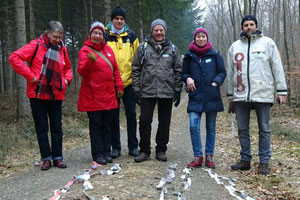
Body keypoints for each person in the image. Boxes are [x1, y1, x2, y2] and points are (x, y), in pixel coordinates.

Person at [227, 15, 287, 175]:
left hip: (263, 93)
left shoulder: (268, 43)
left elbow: (277, 67)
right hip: (240, 95)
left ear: (256, 25)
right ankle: (245, 159)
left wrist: (281, 90)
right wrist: (230, 95)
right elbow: (230, 71)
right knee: (242, 129)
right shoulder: (234, 47)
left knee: (264, 129)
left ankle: (264, 162)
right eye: (245, 25)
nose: (248, 27)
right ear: (242, 28)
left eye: (251, 24)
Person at [9, 21, 72, 170]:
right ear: (47, 33)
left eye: (60, 37)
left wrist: (67, 80)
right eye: (55, 37)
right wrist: (31, 77)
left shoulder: (62, 48)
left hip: (56, 94)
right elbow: (14, 58)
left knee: (57, 127)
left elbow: (68, 67)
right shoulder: (35, 45)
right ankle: (46, 159)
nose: (58, 40)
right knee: (42, 128)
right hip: (37, 95)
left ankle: (58, 157)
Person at [132, 19, 182, 163]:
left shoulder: (172, 49)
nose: (159, 32)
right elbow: (135, 69)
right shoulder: (143, 48)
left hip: (166, 91)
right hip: (147, 91)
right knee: (145, 121)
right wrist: (136, 90)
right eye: (156, 30)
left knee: (164, 122)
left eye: (161, 30)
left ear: (165, 31)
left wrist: (177, 90)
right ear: (152, 31)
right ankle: (144, 151)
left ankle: (161, 149)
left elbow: (178, 70)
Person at [78, 21, 123, 165]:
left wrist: (119, 86)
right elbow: (81, 71)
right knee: (96, 125)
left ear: (103, 35)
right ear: (90, 34)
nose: (97, 36)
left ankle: (106, 152)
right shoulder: (85, 51)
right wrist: (90, 61)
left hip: (109, 94)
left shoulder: (108, 50)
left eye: (100, 33)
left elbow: (115, 69)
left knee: (107, 125)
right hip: (92, 95)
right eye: (95, 33)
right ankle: (97, 154)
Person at [182, 28, 226, 169]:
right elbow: (184, 73)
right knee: (194, 126)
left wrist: (216, 82)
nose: (201, 39)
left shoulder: (215, 55)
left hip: (211, 95)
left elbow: (222, 72)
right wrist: (187, 78)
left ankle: (209, 156)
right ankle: (197, 157)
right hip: (195, 96)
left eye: (203, 37)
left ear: (207, 38)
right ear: (194, 39)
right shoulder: (189, 56)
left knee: (211, 128)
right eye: (198, 37)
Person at [105, 6, 140, 158]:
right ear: (112, 20)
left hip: (129, 83)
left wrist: (138, 81)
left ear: (124, 20)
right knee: (113, 116)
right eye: (116, 18)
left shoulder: (132, 36)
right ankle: (116, 147)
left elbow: (138, 59)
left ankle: (133, 147)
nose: (119, 21)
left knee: (131, 115)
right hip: (111, 83)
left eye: (121, 19)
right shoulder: (105, 36)